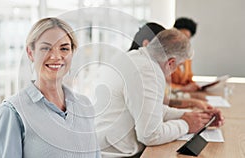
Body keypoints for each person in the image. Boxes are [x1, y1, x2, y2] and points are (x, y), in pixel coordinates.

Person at [95, 28, 224, 157]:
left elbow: (151, 109)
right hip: (116, 154)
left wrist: (192, 117)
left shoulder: (136, 58)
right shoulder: (148, 72)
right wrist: (187, 124)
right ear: (171, 63)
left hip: (102, 147)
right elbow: (151, 136)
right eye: (179, 66)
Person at [0, 17, 100, 158]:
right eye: (46, 48)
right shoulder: (12, 113)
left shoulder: (84, 105)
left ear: (72, 53)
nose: (56, 56)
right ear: (31, 53)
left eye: (64, 48)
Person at [170, 17, 200, 92]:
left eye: (187, 38)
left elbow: (189, 79)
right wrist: (182, 89)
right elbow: (163, 85)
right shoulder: (165, 55)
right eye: (181, 36)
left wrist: (195, 86)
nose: (183, 40)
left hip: (184, 96)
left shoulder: (187, 57)